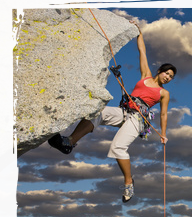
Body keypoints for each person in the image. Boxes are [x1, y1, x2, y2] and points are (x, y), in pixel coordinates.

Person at [48, 20, 176, 203]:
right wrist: (139, 32)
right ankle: (69, 142)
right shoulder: (146, 75)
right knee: (97, 112)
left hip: (138, 119)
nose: (168, 78)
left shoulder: (164, 93)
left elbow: (163, 114)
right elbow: (142, 51)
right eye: (167, 74)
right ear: (160, 71)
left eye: (171, 77)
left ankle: (129, 182)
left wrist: (163, 134)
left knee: (117, 147)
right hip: (124, 111)